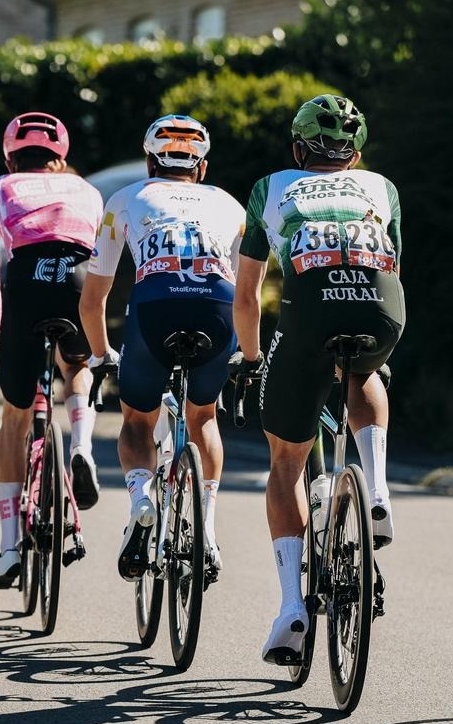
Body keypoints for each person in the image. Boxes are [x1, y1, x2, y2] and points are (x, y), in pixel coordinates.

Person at [231, 94, 405, 665]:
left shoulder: (270, 187)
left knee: (285, 461)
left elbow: (249, 292)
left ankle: (290, 610)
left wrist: (252, 360)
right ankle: (377, 487)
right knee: (367, 368)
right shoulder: (381, 186)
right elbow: (391, 267)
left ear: (297, 148)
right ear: (356, 155)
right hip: (381, 307)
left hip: (310, 313)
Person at [79, 115, 245, 582]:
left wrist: (99, 356)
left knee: (136, 420)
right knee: (204, 416)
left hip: (154, 310)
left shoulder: (124, 199)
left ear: (149, 162)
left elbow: (93, 299)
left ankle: (141, 499)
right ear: (203, 167)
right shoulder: (231, 205)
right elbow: (243, 287)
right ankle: (207, 533)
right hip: (218, 308)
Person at [0, 111, 105, 589]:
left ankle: (9, 546)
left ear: (10, 157)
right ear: (61, 157)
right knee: (77, 364)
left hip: (26, 283)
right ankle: (83, 445)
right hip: (77, 279)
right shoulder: (88, 190)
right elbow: (102, 257)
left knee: (15, 416)